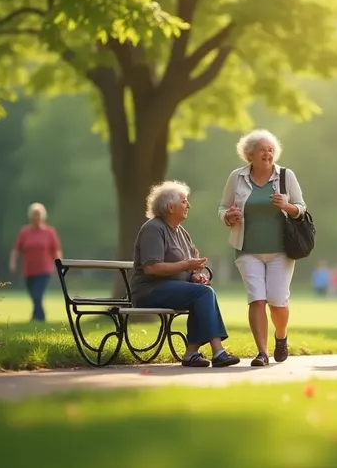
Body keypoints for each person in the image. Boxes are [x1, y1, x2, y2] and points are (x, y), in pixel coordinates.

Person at [219, 129, 307, 367]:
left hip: (281, 251)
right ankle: (262, 352)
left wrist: (287, 206)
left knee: (277, 302)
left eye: (270, 150)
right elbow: (223, 207)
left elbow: (301, 207)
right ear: (250, 155)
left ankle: (281, 336)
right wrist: (229, 216)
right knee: (256, 299)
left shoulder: (286, 176)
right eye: (262, 150)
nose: (267, 154)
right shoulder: (236, 177)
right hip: (247, 249)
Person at [130, 180, 241, 368]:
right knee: (202, 293)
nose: (188, 205)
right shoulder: (153, 229)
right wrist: (185, 266)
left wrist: (195, 276)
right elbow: (151, 268)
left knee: (201, 290)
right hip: (149, 291)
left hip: (171, 289)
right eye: (184, 201)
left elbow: (187, 268)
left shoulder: (181, 232)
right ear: (170, 206)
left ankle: (191, 354)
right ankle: (218, 351)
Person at [9, 203, 62, 322]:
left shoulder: (49, 232)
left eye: (38, 215)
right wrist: (13, 262)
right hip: (29, 270)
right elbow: (16, 249)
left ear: (43, 217)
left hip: (44, 270)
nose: (36, 218)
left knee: (38, 295)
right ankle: (35, 317)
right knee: (34, 296)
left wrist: (59, 265)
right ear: (30, 217)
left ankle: (40, 318)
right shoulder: (24, 232)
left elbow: (56, 250)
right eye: (34, 215)